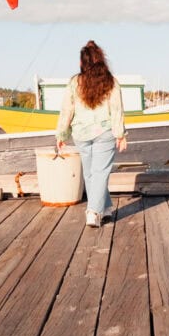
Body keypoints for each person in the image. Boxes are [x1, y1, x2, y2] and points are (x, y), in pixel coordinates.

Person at [56, 41, 127, 227]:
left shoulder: (75, 82)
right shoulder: (111, 82)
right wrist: (120, 134)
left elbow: (67, 110)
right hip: (104, 131)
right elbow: (117, 109)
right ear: (100, 60)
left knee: (91, 174)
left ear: (82, 62)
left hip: (81, 133)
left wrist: (62, 135)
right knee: (98, 173)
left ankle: (99, 209)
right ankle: (96, 210)